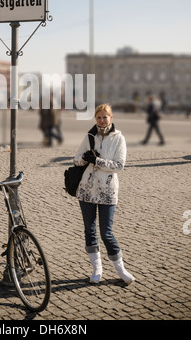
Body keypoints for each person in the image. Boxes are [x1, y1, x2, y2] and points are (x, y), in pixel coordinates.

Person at [74, 103, 135, 285]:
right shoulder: (89, 136)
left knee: (106, 233)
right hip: (87, 189)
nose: (101, 120)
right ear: (96, 118)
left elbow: (119, 166)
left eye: (105, 117)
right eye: (99, 117)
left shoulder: (118, 138)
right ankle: (97, 269)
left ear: (111, 118)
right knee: (90, 231)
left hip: (108, 190)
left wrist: (97, 161)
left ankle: (121, 269)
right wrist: (84, 158)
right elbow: (76, 160)